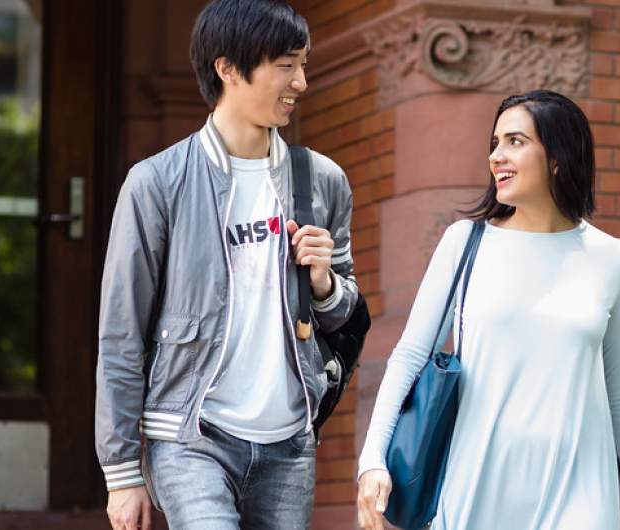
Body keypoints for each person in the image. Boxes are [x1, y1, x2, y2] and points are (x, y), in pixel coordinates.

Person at [94, 1, 359, 528]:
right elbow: (121, 333)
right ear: (228, 68)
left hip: (289, 442)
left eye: (303, 64)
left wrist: (325, 283)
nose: (301, 82)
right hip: (191, 437)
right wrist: (123, 472)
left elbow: (346, 312)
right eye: (285, 64)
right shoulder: (158, 183)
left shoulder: (321, 180)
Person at [355, 90, 620, 530]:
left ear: (558, 155)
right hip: (476, 485)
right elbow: (410, 357)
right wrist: (372, 461)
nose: (497, 156)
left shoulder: (614, 259)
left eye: (515, 141)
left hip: (580, 493)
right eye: (495, 143)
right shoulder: (465, 242)